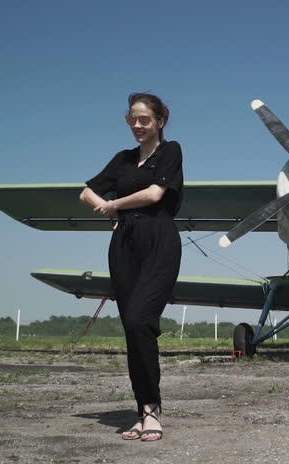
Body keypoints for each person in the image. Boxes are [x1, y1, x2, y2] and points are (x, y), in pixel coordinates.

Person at [79, 93, 184, 442]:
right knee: (131, 328)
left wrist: (115, 206)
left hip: (159, 241)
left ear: (160, 122)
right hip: (123, 246)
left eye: (145, 120)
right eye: (132, 119)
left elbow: (155, 195)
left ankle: (153, 410)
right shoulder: (122, 159)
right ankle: (144, 411)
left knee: (141, 319)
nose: (137, 125)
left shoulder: (171, 152)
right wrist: (106, 207)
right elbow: (86, 192)